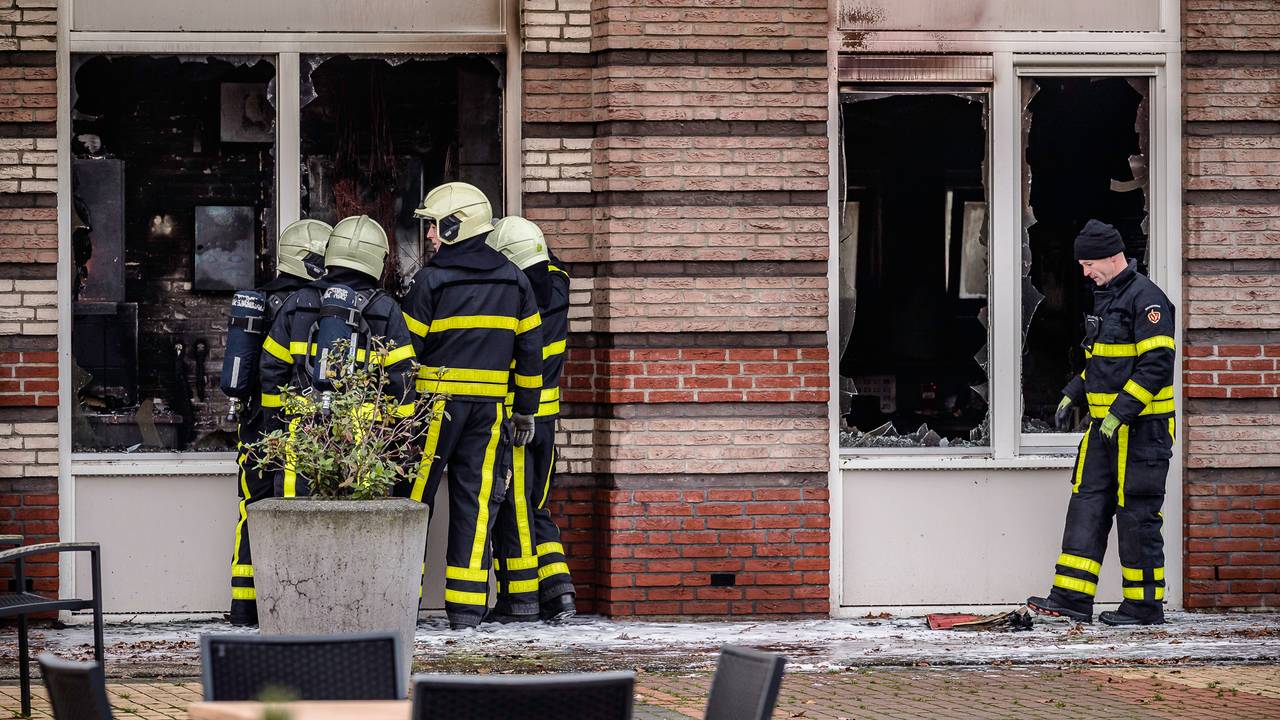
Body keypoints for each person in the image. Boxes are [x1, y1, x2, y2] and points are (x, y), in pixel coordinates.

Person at [401, 182, 544, 630]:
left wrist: (398, 411)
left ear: (454, 226)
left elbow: (405, 351)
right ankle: (465, 611)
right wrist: (525, 410)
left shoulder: (431, 280)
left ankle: (402, 600)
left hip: (433, 411)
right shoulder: (515, 279)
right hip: (490, 413)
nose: (429, 236)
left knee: (412, 503)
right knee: (476, 504)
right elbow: (531, 352)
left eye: (433, 227)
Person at [1028, 219, 1176, 626]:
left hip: (1142, 432)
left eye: (1090, 263)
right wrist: (1074, 391)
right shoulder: (1108, 297)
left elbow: (1157, 365)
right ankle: (1072, 598)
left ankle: (1144, 607)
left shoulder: (1148, 300)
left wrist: (1119, 414)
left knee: (1137, 515)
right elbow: (1102, 361)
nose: (1085, 272)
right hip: (1104, 429)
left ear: (1114, 256)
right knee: (1087, 503)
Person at [257, 215, 416, 497]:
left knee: (299, 523)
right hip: (366, 441)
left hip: (302, 438)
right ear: (378, 259)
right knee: (364, 526)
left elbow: (271, 369)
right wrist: (398, 442)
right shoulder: (387, 310)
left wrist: (275, 429)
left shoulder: (298, 303)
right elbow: (401, 380)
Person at [223, 218, 329, 626]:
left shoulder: (259, 301)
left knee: (253, 508)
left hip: (253, 426)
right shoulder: (312, 304)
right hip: (297, 427)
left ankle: (245, 605)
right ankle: (292, 601)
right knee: (298, 512)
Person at [485, 216, 576, 624]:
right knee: (537, 508)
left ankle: (520, 602)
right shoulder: (558, 281)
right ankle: (560, 592)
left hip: (518, 416)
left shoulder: (517, 295)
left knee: (517, 511)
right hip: (548, 417)